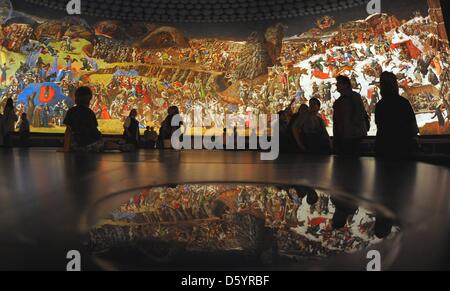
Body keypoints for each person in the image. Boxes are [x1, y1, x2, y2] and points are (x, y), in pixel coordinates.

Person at [375, 72, 419, 157]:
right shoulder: (403, 103)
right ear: (395, 85)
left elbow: (379, 126)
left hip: (384, 149)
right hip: (404, 148)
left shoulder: (380, 105)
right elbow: (413, 126)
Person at [333, 75, 369, 155]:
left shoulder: (354, 97)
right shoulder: (340, 100)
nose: (336, 85)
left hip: (352, 136)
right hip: (344, 135)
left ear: (345, 85)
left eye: (338, 83)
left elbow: (359, 115)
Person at [63, 86, 104, 152]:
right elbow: (94, 129)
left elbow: (68, 131)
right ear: (89, 100)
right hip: (95, 143)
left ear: (76, 98)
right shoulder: (90, 112)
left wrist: (65, 149)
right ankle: (119, 146)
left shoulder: (71, 111)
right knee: (104, 143)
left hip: (80, 145)